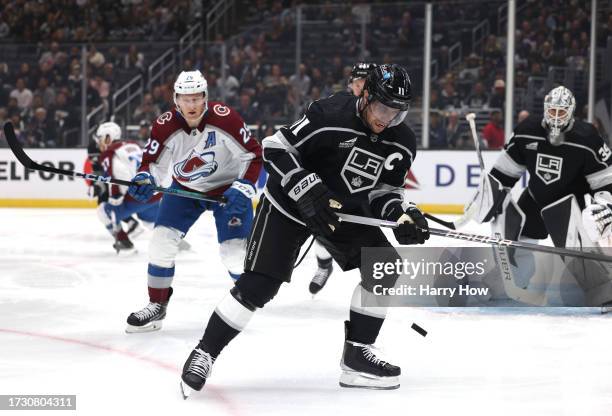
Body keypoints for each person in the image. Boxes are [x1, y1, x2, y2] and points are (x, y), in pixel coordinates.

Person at [180, 64, 430, 396]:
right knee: (259, 285)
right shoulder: (329, 114)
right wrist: (305, 187)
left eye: (397, 113)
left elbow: (385, 191)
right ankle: (205, 352)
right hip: (289, 206)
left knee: (384, 264)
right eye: (383, 108)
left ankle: (357, 354)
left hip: (341, 212)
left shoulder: (401, 142)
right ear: (365, 95)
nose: (387, 119)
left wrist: (402, 215)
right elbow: (274, 147)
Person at [125, 70, 262, 333]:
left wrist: (244, 186)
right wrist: (144, 178)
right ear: (176, 99)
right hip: (185, 190)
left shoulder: (225, 118)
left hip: (227, 191)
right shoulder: (165, 125)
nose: (192, 105)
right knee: (160, 242)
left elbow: (253, 155)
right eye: (186, 99)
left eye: (197, 98)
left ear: (205, 97)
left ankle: (246, 300)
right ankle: (157, 305)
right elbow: (152, 165)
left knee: (234, 254)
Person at [468, 85, 612, 306]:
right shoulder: (527, 130)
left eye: (561, 112)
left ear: (571, 111)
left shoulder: (587, 137)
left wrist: (604, 204)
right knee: (517, 238)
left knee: (581, 245)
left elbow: (606, 181)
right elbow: (505, 172)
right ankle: (510, 281)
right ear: (545, 108)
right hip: (536, 198)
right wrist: (490, 193)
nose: (555, 117)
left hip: (572, 205)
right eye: (552, 110)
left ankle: (603, 287)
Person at [309, 61, 378, 296]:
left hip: (362, 188)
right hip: (332, 181)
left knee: (369, 245)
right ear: (351, 85)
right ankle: (323, 266)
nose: (362, 88)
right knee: (322, 228)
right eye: (358, 83)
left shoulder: (384, 114)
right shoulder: (337, 107)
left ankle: (373, 285)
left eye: (367, 84)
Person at [93, 121, 161, 252]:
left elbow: (118, 173)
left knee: (103, 212)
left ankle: (124, 244)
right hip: (155, 193)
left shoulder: (108, 153)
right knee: (151, 221)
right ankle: (176, 243)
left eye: (101, 138)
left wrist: (116, 195)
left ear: (108, 137)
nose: (99, 142)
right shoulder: (134, 145)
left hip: (137, 195)